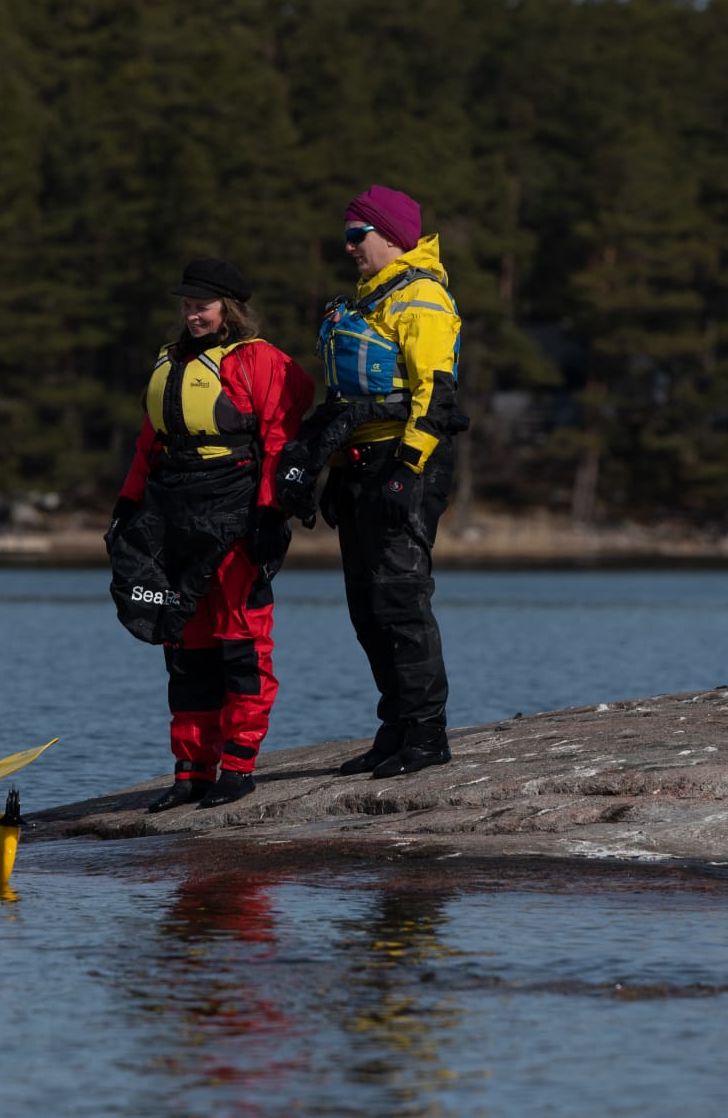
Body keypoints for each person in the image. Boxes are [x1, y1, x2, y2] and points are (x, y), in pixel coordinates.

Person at [106, 257, 315, 810]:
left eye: (203, 305)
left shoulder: (259, 362)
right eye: (187, 305)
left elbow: (279, 441)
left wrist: (271, 515)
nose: (192, 314)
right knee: (187, 649)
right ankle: (191, 770)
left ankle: (238, 766)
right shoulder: (170, 361)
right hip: (173, 516)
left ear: (230, 310)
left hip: (235, 517)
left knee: (241, 645)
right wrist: (128, 506)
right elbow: (148, 443)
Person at [292, 186, 466, 779]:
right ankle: (394, 730)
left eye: (355, 236)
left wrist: (406, 472)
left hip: (405, 465)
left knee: (399, 601)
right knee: (366, 606)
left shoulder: (421, 298)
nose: (348, 248)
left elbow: (435, 395)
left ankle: (426, 734)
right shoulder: (365, 302)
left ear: (391, 236)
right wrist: (336, 474)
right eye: (345, 236)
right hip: (362, 464)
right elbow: (347, 404)